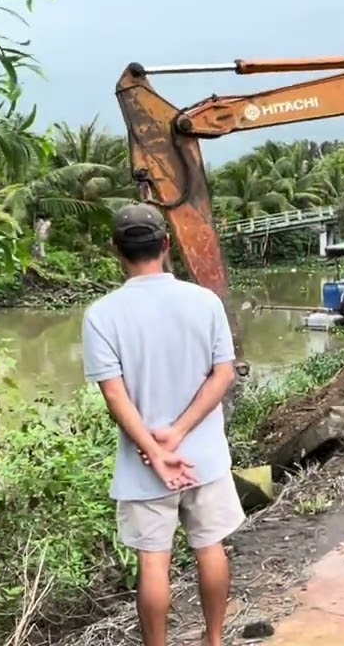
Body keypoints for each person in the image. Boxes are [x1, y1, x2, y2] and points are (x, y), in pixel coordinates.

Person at [82, 203, 243, 646]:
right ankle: (214, 641)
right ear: (166, 244)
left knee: (154, 563)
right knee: (210, 548)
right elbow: (223, 373)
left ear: (116, 250)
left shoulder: (102, 315)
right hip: (205, 458)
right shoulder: (203, 301)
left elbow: (114, 395)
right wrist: (181, 431)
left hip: (144, 466)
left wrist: (156, 450)